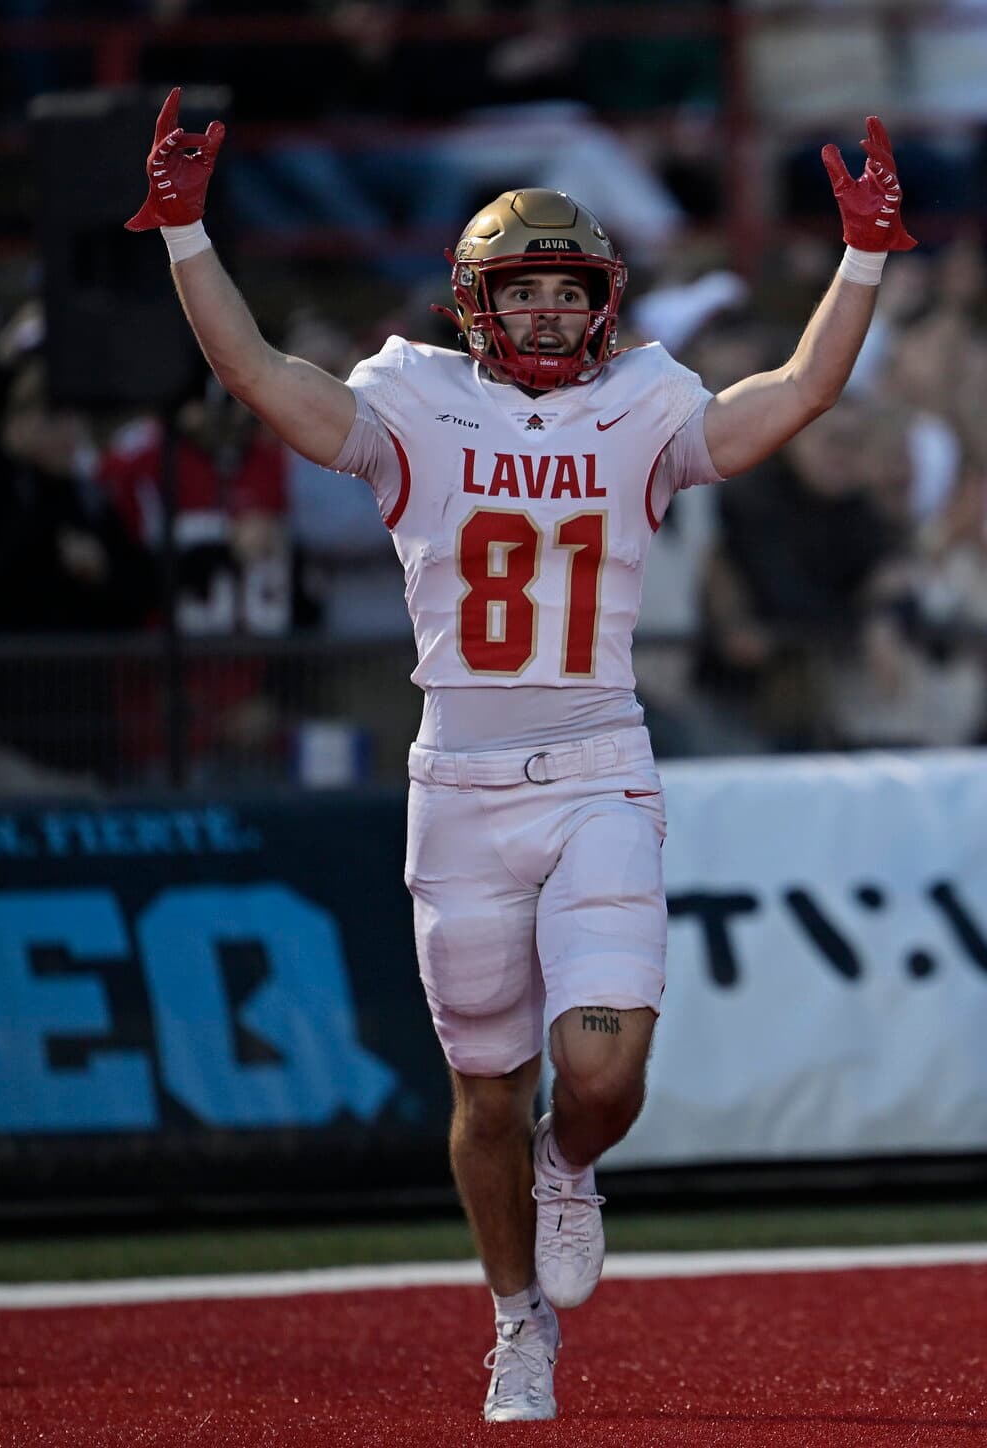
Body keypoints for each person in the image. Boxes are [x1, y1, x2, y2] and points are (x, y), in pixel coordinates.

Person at [126, 92, 915, 1422]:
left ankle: (574, 1164)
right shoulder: (412, 398)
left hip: (599, 763)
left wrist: (864, 259)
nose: (550, 314)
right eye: (525, 291)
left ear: (602, 300)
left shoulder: (648, 400)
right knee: (482, 1095)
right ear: (475, 302)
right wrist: (188, 234)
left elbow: (797, 394)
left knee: (600, 1074)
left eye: (569, 292)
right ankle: (516, 1320)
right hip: (461, 791)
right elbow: (262, 376)